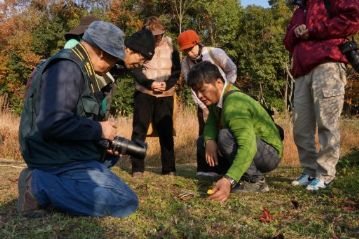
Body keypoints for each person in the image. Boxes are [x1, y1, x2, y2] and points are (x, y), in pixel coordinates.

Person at [17, 21, 155, 218]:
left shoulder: (78, 66)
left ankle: (58, 182)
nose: (114, 64)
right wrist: (99, 130)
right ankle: (38, 184)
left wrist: (100, 141)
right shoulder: (67, 68)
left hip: (60, 150)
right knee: (124, 202)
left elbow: (72, 119)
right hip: (51, 155)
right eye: (113, 58)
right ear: (100, 52)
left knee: (109, 156)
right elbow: (53, 123)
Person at [284, 0, 359, 191]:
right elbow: (287, 42)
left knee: (327, 123)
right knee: (300, 127)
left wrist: (313, 29)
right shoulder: (299, 10)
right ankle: (309, 171)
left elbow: (353, 17)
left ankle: (325, 174)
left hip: (327, 64)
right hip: (301, 71)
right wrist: (295, 33)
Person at [187, 61, 283, 202]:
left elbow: (248, 146)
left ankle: (256, 181)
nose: (199, 96)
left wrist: (229, 180)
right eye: (196, 91)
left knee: (225, 136)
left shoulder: (234, 103)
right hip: (257, 148)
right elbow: (211, 123)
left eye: (202, 90)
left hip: (269, 154)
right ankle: (233, 175)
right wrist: (209, 140)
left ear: (219, 82)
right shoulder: (217, 102)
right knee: (204, 140)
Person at [177, 29, 237, 177]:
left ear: (197, 43)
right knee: (205, 134)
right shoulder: (185, 63)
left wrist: (225, 91)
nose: (189, 53)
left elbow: (232, 69)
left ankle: (229, 167)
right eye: (185, 51)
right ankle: (207, 169)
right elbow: (192, 87)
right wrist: (204, 107)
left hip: (224, 98)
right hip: (203, 103)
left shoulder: (214, 53)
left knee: (226, 131)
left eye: (190, 49)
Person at [129, 16, 181, 177]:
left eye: (159, 34)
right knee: (139, 130)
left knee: (166, 131)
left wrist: (169, 84)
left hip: (165, 94)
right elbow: (134, 68)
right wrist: (149, 83)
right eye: (154, 35)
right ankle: (137, 168)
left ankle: (169, 168)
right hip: (144, 93)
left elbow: (176, 71)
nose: (157, 38)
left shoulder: (171, 46)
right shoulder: (137, 45)